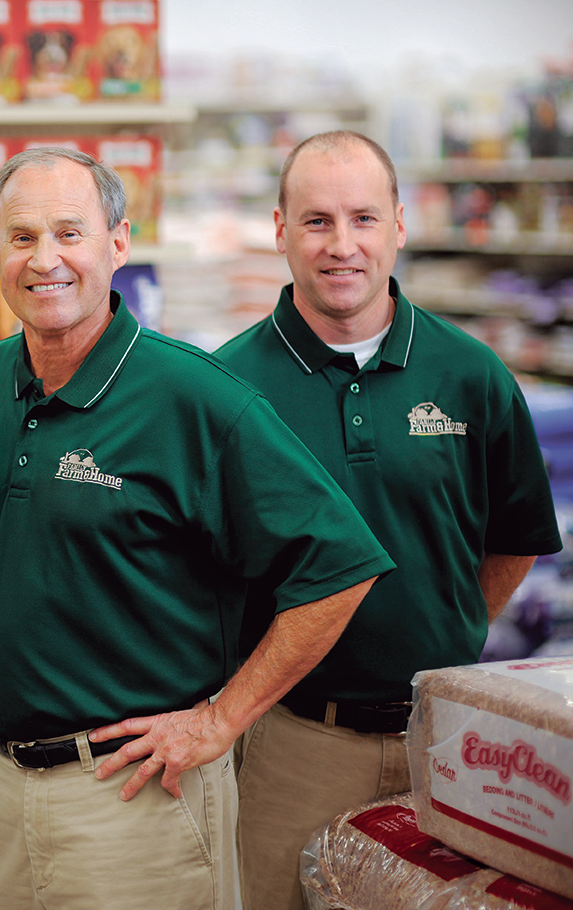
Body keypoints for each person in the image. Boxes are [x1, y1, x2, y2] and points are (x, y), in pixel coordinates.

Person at [0, 146, 397, 910]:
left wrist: (220, 720)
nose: (45, 259)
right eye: (21, 237)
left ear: (118, 242)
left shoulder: (196, 399)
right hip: (3, 795)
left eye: (69, 233)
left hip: (138, 804)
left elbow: (340, 567)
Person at [216, 130, 564, 910]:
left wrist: (445, 626)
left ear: (399, 225)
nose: (342, 246)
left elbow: (513, 540)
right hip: (291, 745)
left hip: (446, 741)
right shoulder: (225, 388)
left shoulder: (471, 375)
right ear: (278, 230)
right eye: (316, 222)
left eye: (363, 219)